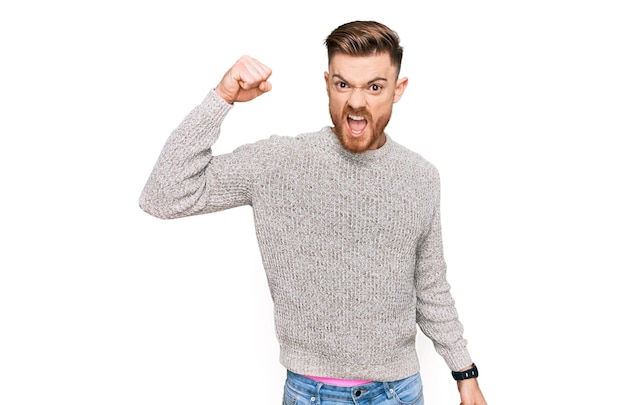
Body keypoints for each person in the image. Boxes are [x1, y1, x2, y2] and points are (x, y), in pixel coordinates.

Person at [139, 20, 487, 405]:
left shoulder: (420, 177)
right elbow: (163, 195)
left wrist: (465, 374)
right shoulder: (279, 163)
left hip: (399, 392)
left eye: (374, 87)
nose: (357, 102)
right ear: (327, 83)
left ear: (397, 89)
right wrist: (221, 97)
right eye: (343, 85)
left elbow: (431, 287)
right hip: (311, 394)